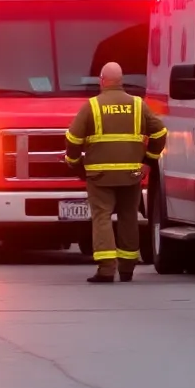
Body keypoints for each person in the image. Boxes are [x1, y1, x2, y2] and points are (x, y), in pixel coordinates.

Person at [65, 61, 167, 283]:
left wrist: (74, 163)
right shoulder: (138, 105)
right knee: (128, 216)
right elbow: (160, 132)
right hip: (131, 174)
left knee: (102, 216)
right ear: (120, 81)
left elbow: (73, 139)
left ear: (102, 80)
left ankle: (106, 268)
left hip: (99, 175)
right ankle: (127, 268)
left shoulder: (92, 106)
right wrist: (148, 161)